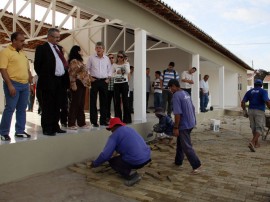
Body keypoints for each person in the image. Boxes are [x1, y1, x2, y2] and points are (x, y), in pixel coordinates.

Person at [90, 117, 151, 186]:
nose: (111, 131)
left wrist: (95, 164)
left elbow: (105, 155)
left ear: (113, 127)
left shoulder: (114, 136)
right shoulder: (130, 129)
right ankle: (131, 166)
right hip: (147, 157)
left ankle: (132, 176)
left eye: (111, 129)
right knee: (121, 157)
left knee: (113, 162)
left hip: (137, 161)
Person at [34, 28, 68, 136]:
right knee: (48, 105)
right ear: (49, 37)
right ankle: (47, 128)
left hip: (59, 81)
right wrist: (46, 77)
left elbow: (62, 64)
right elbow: (37, 66)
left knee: (57, 105)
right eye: (56, 37)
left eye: (59, 37)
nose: (58, 39)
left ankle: (55, 126)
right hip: (48, 81)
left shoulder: (59, 49)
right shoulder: (42, 48)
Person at [0, 32, 32, 141]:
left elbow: (27, 69)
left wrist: (30, 82)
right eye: (21, 41)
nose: (24, 43)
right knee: (10, 108)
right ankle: (3, 132)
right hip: (13, 84)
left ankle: (20, 131)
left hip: (25, 85)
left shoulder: (23, 53)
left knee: (22, 109)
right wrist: (9, 85)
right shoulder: (5, 52)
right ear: (14, 41)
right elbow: (3, 69)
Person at [168, 79, 202, 174]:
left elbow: (177, 114)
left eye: (170, 87)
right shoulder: (186, 93)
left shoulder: (176, 96)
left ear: (174, 86)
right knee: (180, 143)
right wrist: (194, 120)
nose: (170, 90)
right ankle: (178, 161)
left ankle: (197, 165)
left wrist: (175, 127)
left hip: (184, 124)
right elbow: (193, 107)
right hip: (190, 122)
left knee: (186, 146)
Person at [86, 42, 112, 127]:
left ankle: (103, 121)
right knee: (93, 101)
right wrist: (90, 77)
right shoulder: (91, 58)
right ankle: (94, 121)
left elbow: (109, 69)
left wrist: (108, 78)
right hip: (94, 81)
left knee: (104, 101)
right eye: (97, 47)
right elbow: (87, 68)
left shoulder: (107, 59)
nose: (98, 49)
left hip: (104, 81)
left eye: (100, 47)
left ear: (103, 49)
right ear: (95, 49)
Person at [241, 79, 270, 152]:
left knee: (253, 127)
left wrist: (244, 111)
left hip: (250, 111)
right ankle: (252, 142)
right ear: (261, 85)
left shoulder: (249, 92)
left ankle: (256, 143)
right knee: (260, 128)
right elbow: (267, 101)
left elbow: (243, 102)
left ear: (254, 85)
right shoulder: (263, 91)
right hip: (259, 111)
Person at [67, 45, 91, 130]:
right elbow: (72, 73)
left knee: (81, 104)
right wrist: (73, 83)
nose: (82, 52)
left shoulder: (79, 61)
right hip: (77, 82)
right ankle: (71, 123)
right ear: (77, 51)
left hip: (83, 83)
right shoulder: (74, 61)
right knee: (75, 103)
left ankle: (81, 123)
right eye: (81, 50)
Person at [112, 51, 131, 124]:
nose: (119, 58)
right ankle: (118, 119)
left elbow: (128, 71)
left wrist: (125, 63)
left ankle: (127, 119)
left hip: (124, 83)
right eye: (118, 56)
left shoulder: (126, 64)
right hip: (116, 84)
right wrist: (117, 72)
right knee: (117, 102)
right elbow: (111, 74)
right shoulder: (114, 64)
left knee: (125, 102)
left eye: (121, 57)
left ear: (124, 57)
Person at [107, 53, 115, 122]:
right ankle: (107, 117)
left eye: (112, 58)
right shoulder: (106, 66)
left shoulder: (116, 66)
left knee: (116, 103)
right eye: (109, 58)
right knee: (107, 103)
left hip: (115, 88)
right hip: (107, 88)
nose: (111, 59)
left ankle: (117, 117)